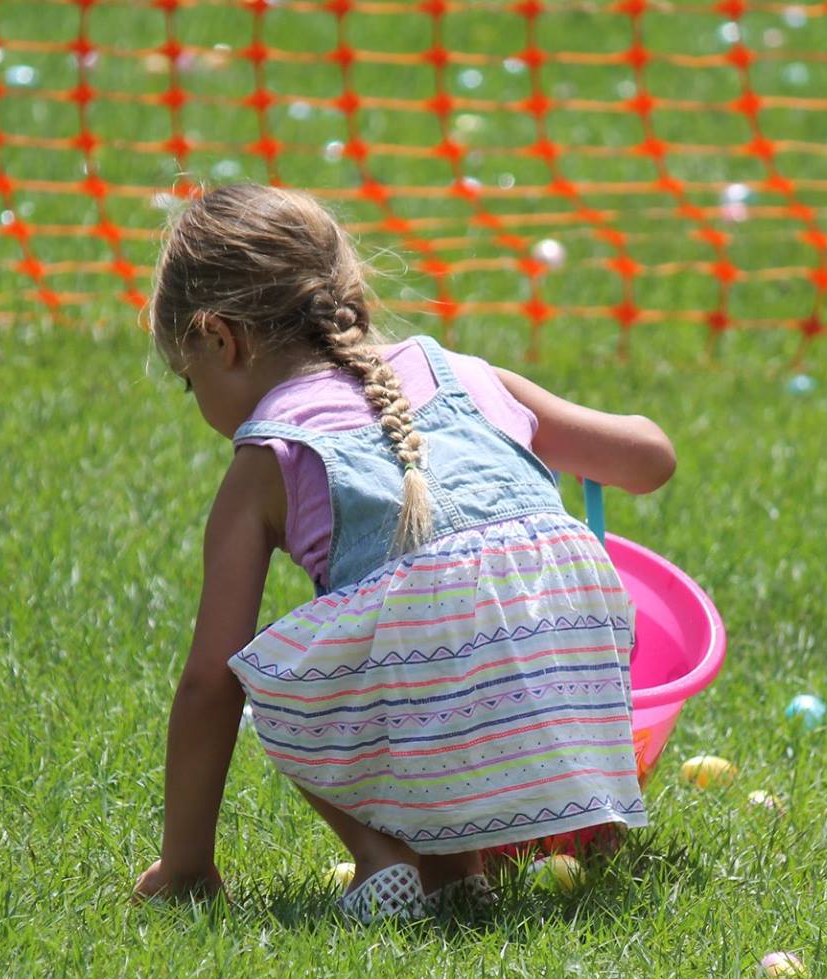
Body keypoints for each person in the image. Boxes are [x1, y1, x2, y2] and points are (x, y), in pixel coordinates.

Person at [132, 183, 676, 921]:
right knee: (463, 613)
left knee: (280, 669)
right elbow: (649, 458)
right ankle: (518, 851)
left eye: (188, 379)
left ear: (221, 339)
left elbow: (207, 686)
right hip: (575, 647)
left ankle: (387, 857)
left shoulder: (268, 456)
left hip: (443, 671)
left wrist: (188, 866)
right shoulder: (466, 372)